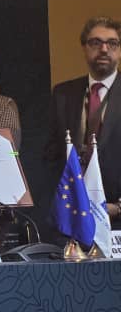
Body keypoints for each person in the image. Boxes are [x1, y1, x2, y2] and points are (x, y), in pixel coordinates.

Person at [44, 16, 121, 222]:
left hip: (116, 215)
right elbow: (52, 155)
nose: (104, 49)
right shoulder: (63, 93)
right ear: (84, 48)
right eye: (96, 42)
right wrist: (63, 200)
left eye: (112, 43)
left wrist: (118, 207)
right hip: (71, 215)